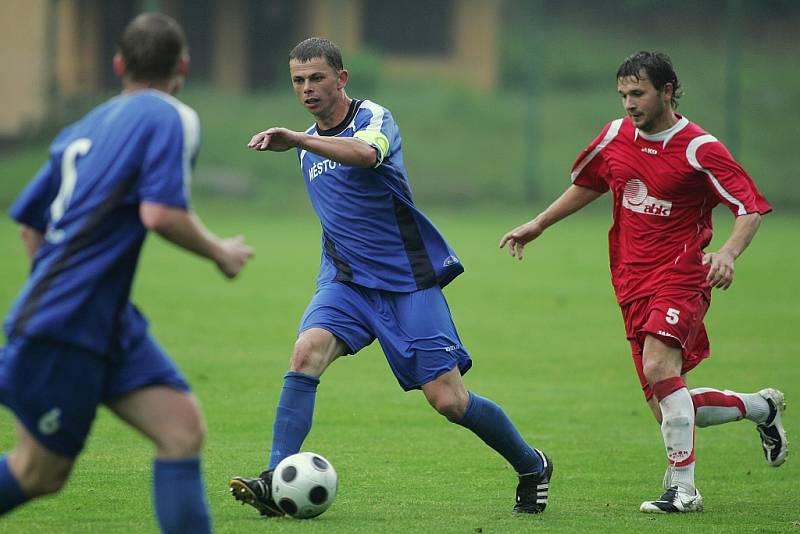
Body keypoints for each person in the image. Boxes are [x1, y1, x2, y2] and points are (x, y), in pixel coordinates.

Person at [228, 37, 551, 516]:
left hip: (408, 283)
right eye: (298, 80)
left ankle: (531, 464)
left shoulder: (373, 119)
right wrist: (301, 142)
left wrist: (297, 138)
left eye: (317, 77)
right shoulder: (305, 150)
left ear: (342, 78)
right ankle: (275, 481)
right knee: (304, 355)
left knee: (448, 400)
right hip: (346, 284)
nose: (308, 89)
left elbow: (366, 155)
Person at [500, 51, 786, 513]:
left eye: (638, 93)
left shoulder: (699, 148)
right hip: (630, 280)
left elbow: (748, 207)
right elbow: (591, 182)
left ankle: (684, 490)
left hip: (682, 274)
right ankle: (761, 408)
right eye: (623, 95)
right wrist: (539, 223)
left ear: (667, 91)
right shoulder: (615, 136)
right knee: (667, 405)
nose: (629, 104)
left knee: (658, 369)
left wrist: (728, 254)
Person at [0, 12, 253, 533]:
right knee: (38, 472)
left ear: (119, 64)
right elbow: (159, 214)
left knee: (181, 430)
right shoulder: (170, 116)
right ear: (182, 66)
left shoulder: (82, 126)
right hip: (67, 323)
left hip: (105, 320)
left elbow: (30, 225)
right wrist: (219, 252)